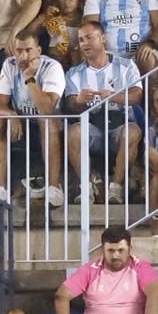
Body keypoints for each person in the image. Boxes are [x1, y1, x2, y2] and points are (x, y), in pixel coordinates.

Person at [63, 19, 145, 204]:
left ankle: (115, 188)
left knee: (133, 132)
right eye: (81, 40)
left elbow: (137, 96)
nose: (84, 43)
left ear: (103, 38)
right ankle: (87, 186)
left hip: (120, 125)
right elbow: (70, 104)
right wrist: (78, 101)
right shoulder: (74, 73)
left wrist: (114, 96)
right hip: (93, 127)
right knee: (74, 132)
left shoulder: (125, 66)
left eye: (89, 38)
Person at [0, 28, 66, 205]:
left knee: (46, 120)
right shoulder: (9, 65)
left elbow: (47, 108)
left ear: (39, 50)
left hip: (52, 124)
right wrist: (12, 114)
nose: (23, 57)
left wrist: (30, 78)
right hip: (22, 124)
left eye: (28, 50)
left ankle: (54, 187)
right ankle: (1, 189)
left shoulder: (52, 67)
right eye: (19, 51)